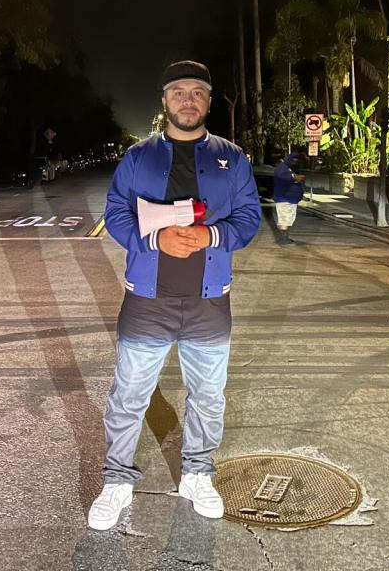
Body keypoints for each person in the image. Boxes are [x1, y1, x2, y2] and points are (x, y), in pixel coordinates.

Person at [89, 60, 261, 531]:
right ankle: (117, 481)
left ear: (208, 100)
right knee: (128, 396)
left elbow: (249, 218)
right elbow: (116, 214)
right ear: (164, 99)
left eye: (198, 92)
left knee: (208, 396)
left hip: (209, 301)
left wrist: (211, 238)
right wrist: (154, 240)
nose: (189, 99)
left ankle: (198, 475)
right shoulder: (138, 157)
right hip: (147, 300)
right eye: (179, 91)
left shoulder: (233, 157)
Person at [273, 152, 306, 245]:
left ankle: (285, 237)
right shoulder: (281, 169)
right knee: (284, 219)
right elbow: (285, 178)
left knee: (289, 219)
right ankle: (283, 239)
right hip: (284, 199)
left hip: (289, 199)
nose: (294, 162)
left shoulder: (286, 169)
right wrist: (295, 178)